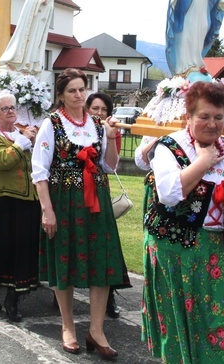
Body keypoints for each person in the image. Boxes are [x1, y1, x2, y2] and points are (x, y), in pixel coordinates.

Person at [136, 81, 224, 362]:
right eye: (204, 117)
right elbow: (170, 194)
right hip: (174, 251)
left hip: (215, 251)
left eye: (218, 117)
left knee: (220, 325)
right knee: (180, 329)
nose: (212, 124)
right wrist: (202, 162)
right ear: (189, 117)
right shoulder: (170, 147)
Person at [32, 68, 127, 358]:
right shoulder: (52, 124)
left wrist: (111, 137)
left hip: (96, 200)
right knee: (67, 261)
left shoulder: (98, 125)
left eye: (81, 89)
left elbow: (110, 166)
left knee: (101, 262)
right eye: (72, 90)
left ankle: (97, 330)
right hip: (64, 201)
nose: (78, 94)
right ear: (61, 94)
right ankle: (68, 326)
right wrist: (47, 211)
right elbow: (40, 171)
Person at [0, 93, 39, 321]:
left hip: (26, 202)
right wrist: (22, 143)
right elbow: (2, 162)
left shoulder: (21, 135)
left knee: (21, 251)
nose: (11, 111)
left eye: (13, 107)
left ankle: (13, 298)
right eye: (5, 109)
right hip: (0, 202)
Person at [85, 92, 129, 319]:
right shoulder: (76, 129)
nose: (100, 113)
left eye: (104, 110)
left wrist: (110, 137)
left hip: (99, 191)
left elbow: (111, 165)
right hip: (76, 192)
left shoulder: (110, 131)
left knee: (105, 246)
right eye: (95, 108)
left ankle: (109, 296)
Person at [0, 0, 59, 75]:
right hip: (29, 23)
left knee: (34, 44)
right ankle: (15, 63)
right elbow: (30, 3)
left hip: (39, 25)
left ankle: (28, 65)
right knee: (24, 42)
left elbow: (48, 12)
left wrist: (46, 7)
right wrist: (40, 2)